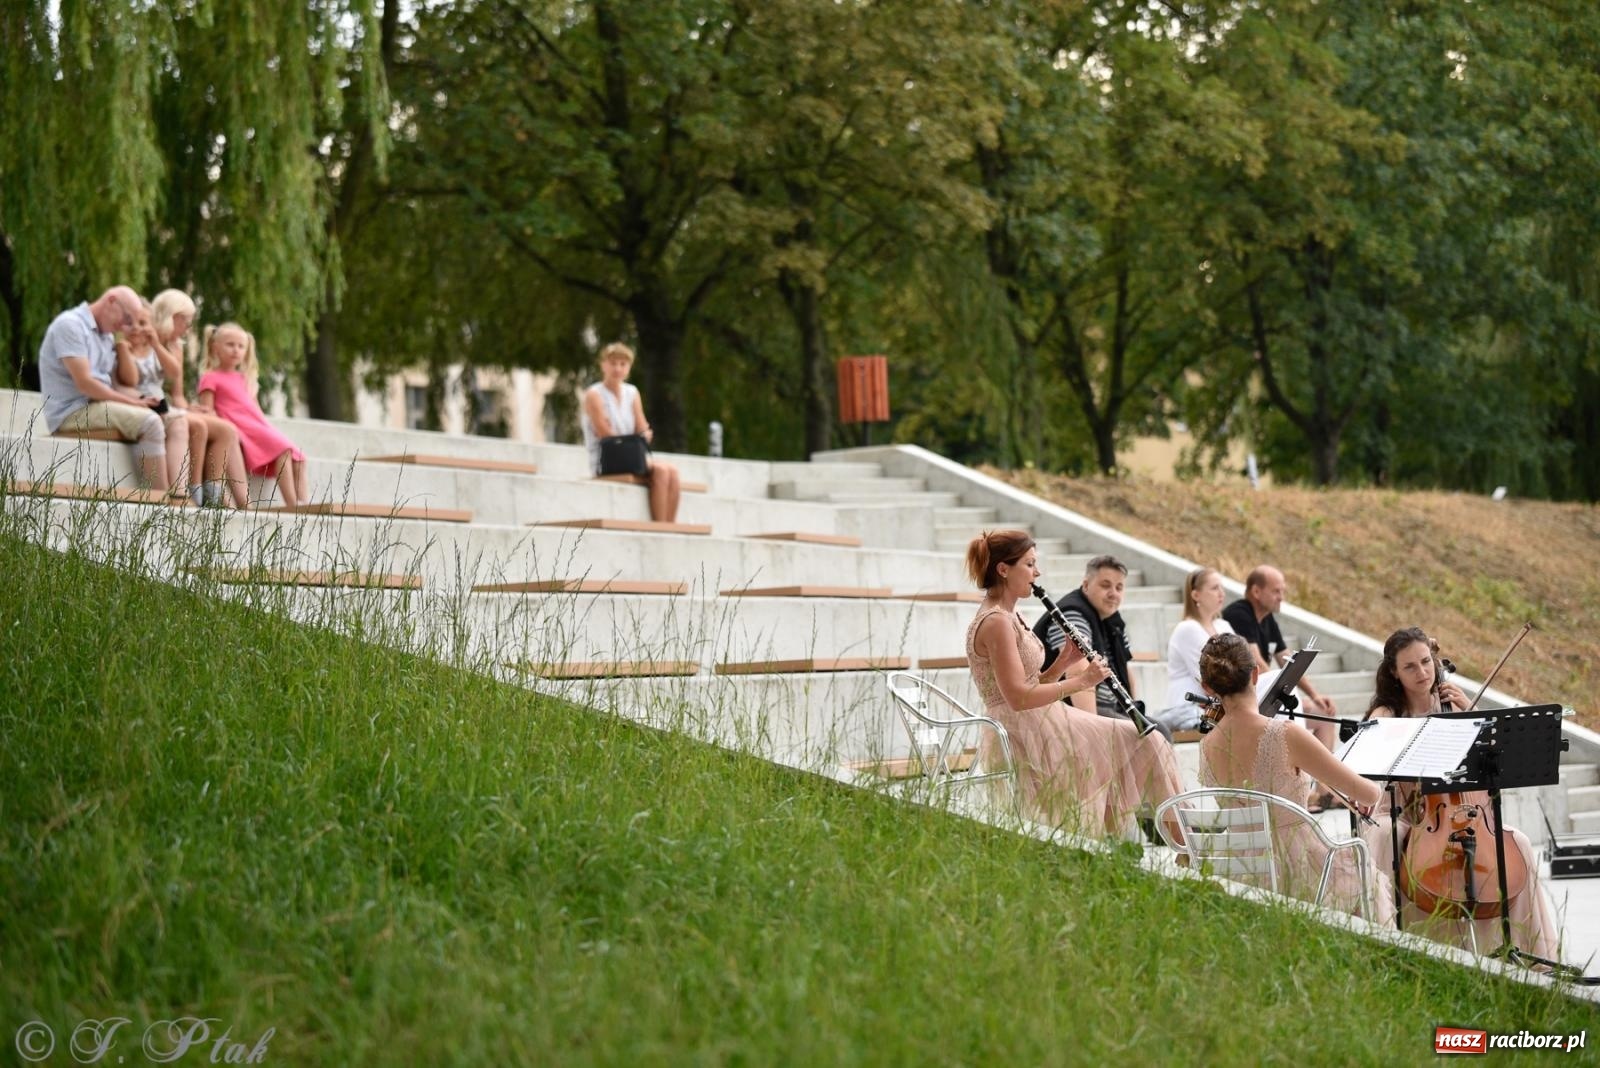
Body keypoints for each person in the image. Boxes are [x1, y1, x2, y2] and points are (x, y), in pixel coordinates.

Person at [966, 530, 1185, 839]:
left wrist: (1062, 663)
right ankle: (1182, 846)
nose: (1037, 573)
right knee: (1145, 742)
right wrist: (1082, 681)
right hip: (1024, 731)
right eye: (1029, 564)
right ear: (1003, 569)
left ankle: (1132, 843)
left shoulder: (1010, 614)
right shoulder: (997, 621)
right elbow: (1017, 698)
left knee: (1148, 741)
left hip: (1042, 718)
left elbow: (1029, 684)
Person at [1363, 627, 1559, 961]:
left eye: (1426, 661)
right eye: (1410, 666)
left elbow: (1495, 759)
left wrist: (1471, 713)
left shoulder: (1455, 705)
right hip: (1407, 811)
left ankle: (1532, 954)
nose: (1422, 672)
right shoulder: (1388, 714)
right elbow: (1369, 764)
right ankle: (1387, 940)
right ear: (1394, 672)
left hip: (1465, 811)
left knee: (1520, 843)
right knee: (1384, 834)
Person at [1196, 632, 1395, 924]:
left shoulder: (1206, 746)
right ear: (1255, 674)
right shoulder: (1284, 734)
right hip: (1298, 872)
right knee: (1364, 874)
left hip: (1240, 872)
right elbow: (1368, 794)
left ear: (1207, 687)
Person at [37, 286, 187, 493]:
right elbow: (86, 384)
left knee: (176, 420)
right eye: (127, 319)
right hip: (71, 414)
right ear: (112, 300)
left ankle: (182, 494)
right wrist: (133, 403)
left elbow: (113, 386)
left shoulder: (106, 336)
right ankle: (160, 500)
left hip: (99, 406)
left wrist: (144, 400)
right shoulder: (70, 325)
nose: (125, 326)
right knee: (151, 423)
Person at [1032, 555, 1169, 740]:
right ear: (1086, 585)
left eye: (1119, 587)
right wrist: (1093, 733)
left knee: (1160, 731)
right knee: (1155, 738)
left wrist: (1133, 711)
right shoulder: (1072, 614)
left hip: (1111, 707)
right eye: (1106, 585)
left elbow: (1125, 669)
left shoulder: (1112, 619)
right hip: (1074, 711)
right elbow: (1078, 671)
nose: (1113, 593)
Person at [1222, 565, 1339, 757]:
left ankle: (1320, 777)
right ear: (1256, 591)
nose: (1281, 597)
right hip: (1246, 698)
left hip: (1264, 693)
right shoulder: (1238, 615)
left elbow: (1289, 661)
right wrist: (1282, 694)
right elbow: (1257, 663)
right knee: (1301, 716)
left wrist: (1314, 695)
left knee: (1324, 715)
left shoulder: (1267, 619)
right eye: (1276, 591)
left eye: (1282, 591)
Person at [149, 289, 248, 508]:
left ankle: (216, 495)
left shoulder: (176, 346)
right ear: (171, 316)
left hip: (167, 405)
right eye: (186, 321)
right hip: (153, 404)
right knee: (200, 427)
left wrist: (191, 408)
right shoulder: (147, 338)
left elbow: (177, 395)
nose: (188, 328)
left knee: (226, 429)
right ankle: (195, 492)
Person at [196, 323, 309, 508]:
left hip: (255, 426)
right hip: (239, 428)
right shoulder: (210, 377)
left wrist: (268, 430)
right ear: (215, 348)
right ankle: (292, 504)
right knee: (283, 450)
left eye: (241, 346)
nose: (236, 350)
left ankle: (304, 502)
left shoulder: (245, 379)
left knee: (299, 457)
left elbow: (255, 410)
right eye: (230, 345)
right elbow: (207, 410)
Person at [580, 342, 681, 523]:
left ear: (629, 367)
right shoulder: (594, 394)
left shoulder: (632, 392)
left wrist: (640, 435)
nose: (617, 369)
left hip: (631, 456)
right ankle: (661, 526)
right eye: (613, 363)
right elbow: (606, 436)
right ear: (603, 365)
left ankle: (669, 526)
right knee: (662, 471)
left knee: (672, 471)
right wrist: (636, 437)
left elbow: (642, 428)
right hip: (606, 459)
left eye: (623, 364)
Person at [1157, 567, 1235, 734]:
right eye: (1214, 588)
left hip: (1216, 705)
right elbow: (1210, 677)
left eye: (1222, 588)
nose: (1221, 593)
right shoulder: (1188, 628)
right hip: (1189, 708)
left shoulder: (1223, 625)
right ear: (1196, 595)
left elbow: (1240, 665)